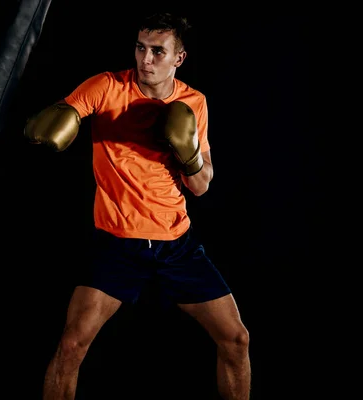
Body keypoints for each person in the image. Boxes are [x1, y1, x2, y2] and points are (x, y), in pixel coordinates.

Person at [24, 11, 251, 400]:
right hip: (118, 242)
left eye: (158, 52)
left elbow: (200, 187)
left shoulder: (193, 102)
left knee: (236, 340)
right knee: (72, 345)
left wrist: (188, 153)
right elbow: (70, 111)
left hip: (176, 244)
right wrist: (59, 119)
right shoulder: (106, 86)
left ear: (178, 58)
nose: (146, 60)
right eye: (140, 48)